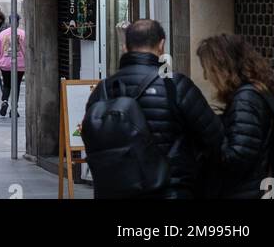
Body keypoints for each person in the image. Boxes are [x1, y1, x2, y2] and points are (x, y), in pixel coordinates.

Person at [83, 18, 222, 200]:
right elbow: (214, 137)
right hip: (170, 191)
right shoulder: (175, 86)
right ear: (161, 45)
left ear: (125, 46)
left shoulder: (103, 90)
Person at [197, 33, 274, 200]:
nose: (206, 76)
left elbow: (238, 157)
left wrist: (210, 133)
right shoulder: (255, 91)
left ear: (222, 67)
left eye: (208, 69)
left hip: (247, 190)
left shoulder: (246, 99)